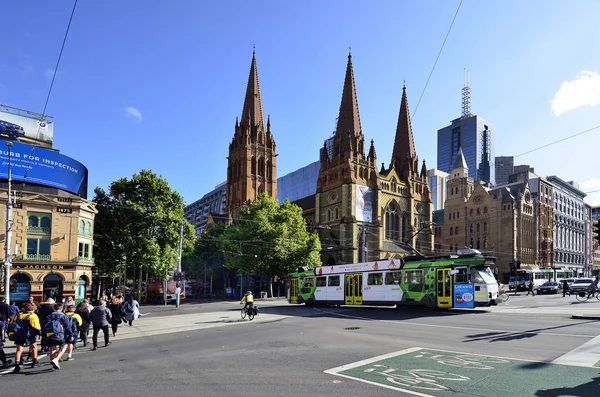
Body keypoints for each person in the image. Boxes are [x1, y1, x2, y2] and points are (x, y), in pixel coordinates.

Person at [10, 302, 41, 373]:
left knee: (19, 349)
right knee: (34, 346)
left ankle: (17, 364)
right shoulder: (33, 316)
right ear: (32, 310)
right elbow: (36, 326)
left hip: (19, 334)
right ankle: (34, 361)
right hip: (29, 334)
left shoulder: (18, 315)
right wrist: (39, 333)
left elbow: (12, 323)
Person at [44, 303, 72, 370]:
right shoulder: (63, 316)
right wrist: (70, 334)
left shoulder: (49, 316)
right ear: (62, 309)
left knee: (52, 348)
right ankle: (56, 359)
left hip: (49, 334)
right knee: (64, 345)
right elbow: (67, 326)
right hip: (59, 334)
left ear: (54, 308)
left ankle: (54, 363)